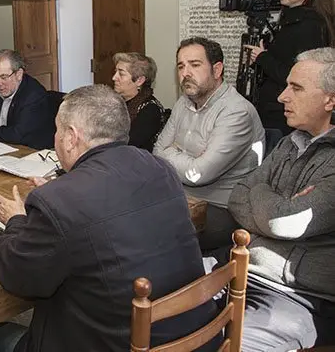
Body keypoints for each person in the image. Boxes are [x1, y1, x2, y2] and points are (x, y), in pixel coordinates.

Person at [0, 85, 218, 351]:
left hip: (119, 343)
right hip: (195, 336)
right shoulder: (160, 168)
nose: (55, 137)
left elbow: (16, 277)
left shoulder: (58, 200)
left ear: (71, 137)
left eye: (58, 129)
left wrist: (16, 220)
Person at [227, 47, 335, 351]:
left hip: (301, 296)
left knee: (228, 343)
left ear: (331, 100)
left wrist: (259, 193)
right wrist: (274, 203)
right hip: (246, 271)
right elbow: (237, 197)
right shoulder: (291, 141)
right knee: (168, 304)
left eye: (296, 88)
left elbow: (283, 223)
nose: (281, 97)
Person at [154, 37, 264, 208]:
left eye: (195, 65)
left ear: (217, 70)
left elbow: (197, 174)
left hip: (220, 207)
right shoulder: (183, 103)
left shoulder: (236, 111)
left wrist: (171, 151)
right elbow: (157, 153)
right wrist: (188, 158)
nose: (186, 73)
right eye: (181, 66)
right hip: (179, 197)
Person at [244, 0, 335, 135]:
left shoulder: (310, 26)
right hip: (275, 110)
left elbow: (301, 78)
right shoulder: (292, 21)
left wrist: (263, 58)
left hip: (286, 116)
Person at [112, 51, 165, 151]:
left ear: (139, 81)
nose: (114, 77)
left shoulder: (150, 109)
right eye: (115, 72)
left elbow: (128, 145)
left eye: (121, 74)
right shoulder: (117, 104)